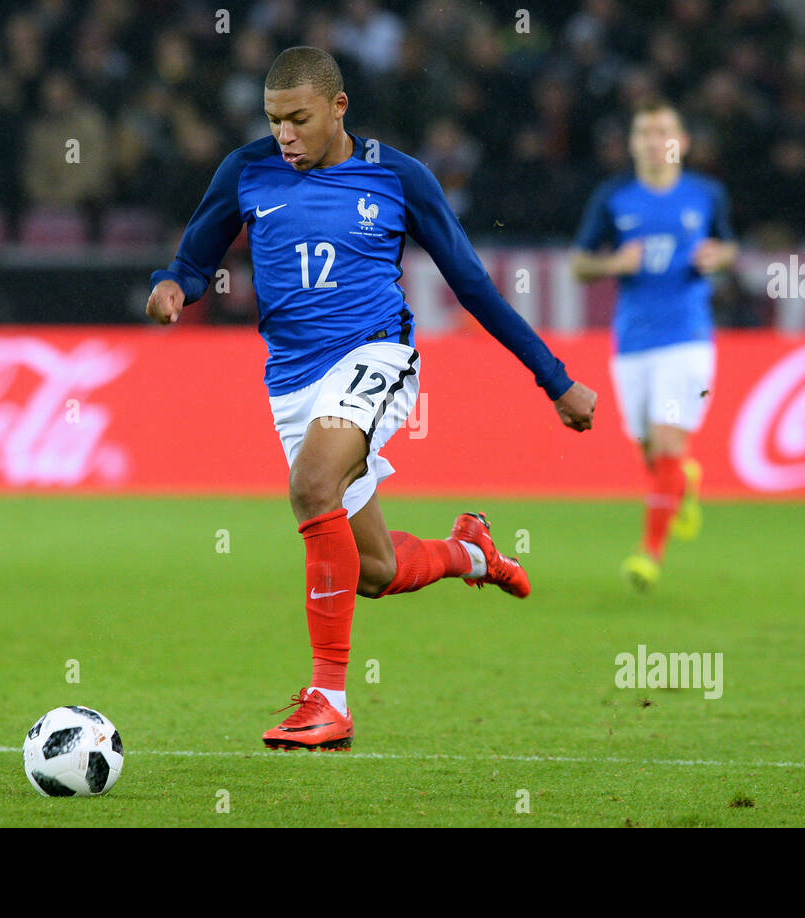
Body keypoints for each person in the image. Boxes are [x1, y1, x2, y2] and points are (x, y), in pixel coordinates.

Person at [147, 47, 597, 750]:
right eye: (274, 121)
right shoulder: (245, 170)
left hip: (376, 355)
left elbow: (472, 285)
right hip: (292, 382)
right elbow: (195, 258)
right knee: (376, 573)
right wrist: (174, 285)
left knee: (312, 483)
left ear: (338, 107)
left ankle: (329, 702)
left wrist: (555, 378)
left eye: (298, 119)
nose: (285, 135)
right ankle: (470, 553)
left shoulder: (398, 177)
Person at [570, 99, 738, 591]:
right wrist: (612, 265)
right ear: (632, 143)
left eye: (663, 131)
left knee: (665, 440)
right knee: (650, 450)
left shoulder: (706, 194)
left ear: (682, 142)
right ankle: (681, 479)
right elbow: (578, 263)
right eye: (643, 132)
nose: (653, 140)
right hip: (633, 343)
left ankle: (650, 554)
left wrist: (717, 256)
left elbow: (729, 246)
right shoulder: (613, 197)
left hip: (687, 338)